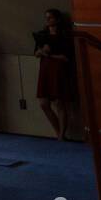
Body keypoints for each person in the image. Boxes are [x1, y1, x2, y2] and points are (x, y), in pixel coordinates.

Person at [34, 8, 74, 140]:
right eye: (47, 17)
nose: (48, 20)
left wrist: (50, 53)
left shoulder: (64, 35)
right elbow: (36, 53)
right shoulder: (42, 34)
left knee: (59, 102)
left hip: (58, 69)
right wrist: (42, 52)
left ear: (57, 19)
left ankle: (61, 134)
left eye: (50, 17)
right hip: (45, 69)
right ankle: (58, 131)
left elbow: (66, 57)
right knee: (43, 103)